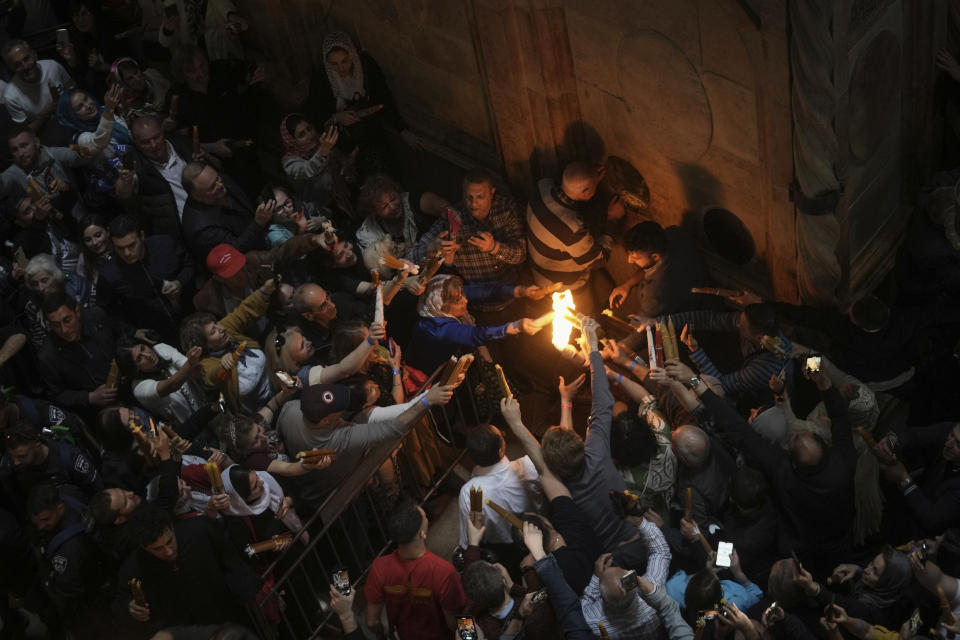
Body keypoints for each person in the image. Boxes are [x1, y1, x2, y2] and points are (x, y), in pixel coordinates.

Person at [665, 358, 855, 576]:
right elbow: (840, 418)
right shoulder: (844, 463)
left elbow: (721, 562)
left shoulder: (749, 535)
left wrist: (696, 538)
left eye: (793, 439)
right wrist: (823, 382)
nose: (793, 433)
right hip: (839, 534)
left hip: (801, 547)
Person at [540, 316, 638, 551]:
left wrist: (566, 401)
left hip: (612, 554)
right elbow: (603, 398)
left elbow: (560, 452)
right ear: (580, 442)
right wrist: (592, 344)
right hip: (637, 533)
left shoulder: (563, 492)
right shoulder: (597, 451)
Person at [277, 381, 452, 504]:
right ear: (326, 421)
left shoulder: (290, 408)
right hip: (333, 498)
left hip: (307, 486)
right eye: (340, 410)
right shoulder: (340, 438)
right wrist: (427, 400)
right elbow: (393, 428)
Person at [113, 506, 264, 631]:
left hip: (229, 616)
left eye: (170, 541)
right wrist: (130, 608)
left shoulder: (199, 530)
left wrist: (249, 589)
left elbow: (230, 559)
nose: (169, 552)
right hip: (187, 631)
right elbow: (121, 602)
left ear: (172, 527)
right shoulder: (134, 567)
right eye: (157, 549)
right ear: (144, 548)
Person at [406, 168, 528, 300]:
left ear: (492, 193)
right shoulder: (454, 217)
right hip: (472, 301)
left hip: (511, 297)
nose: (473, 203)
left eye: (480, 197)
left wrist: (494, 247)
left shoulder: (505, 209)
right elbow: (410, 259)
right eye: (469, 197)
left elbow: (520, 255)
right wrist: (432, 247)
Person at [525, 160, 623, 309]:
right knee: (584, 324)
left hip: (538, 272)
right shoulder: (572, 228)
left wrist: (589, 176)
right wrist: (613, 219)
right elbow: (599, 260)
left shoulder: (542, 186)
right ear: (585, 192)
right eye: (593, 187)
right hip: (562, 288)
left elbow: (572, 182)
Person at [364, 499, 466, 640]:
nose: (427, 519)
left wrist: (382, 635)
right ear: (422, 534)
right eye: (425, 517)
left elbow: (372, 622)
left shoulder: (379, 567)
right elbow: (454, 623)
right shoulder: (444, 572)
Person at [404, 275, 543, 375]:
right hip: (427, 376)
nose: (465, 300)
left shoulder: (449, 296)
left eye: (463, 294)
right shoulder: (437, 328)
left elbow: (488, 291)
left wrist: (522, 291)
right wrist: (517, 326)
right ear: (444, 308)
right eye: (459, 301)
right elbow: (477, 335)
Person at [26, 483, 113, 639]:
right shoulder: (67, 492)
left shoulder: (67, 552)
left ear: (60, 509)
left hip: (89, 593)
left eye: (45, 519)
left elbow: (68, 590)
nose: (40, 526)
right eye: (36, 521)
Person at [179, 281, 275, 414]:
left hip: (276, 383)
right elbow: (212, 373)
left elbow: (244, 311)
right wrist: (223, 365)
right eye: (213, 331)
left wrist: (265, 290)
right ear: (204, 346)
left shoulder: (225, 329)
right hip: (261, 411)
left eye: (217, 324)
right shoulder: (205, 364)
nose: (222, 328)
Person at [96, 215, 195, 343]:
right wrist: (132, 331)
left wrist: (180, 282)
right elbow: (106, 312)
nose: (126, 253)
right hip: (156, 335)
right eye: (120, 248)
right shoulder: (109, 275)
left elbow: (189, 265)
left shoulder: (164, 244)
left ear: (141, 236)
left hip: (190, 315)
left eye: (131, 245)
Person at [456, 422, 542, 550]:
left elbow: (468, 539)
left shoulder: (469, 492)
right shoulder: (528, 467)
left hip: (501, 551)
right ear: (501, 450)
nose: (504, 433)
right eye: (502, 435)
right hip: (538, 536)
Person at [37, 291, 124, 412]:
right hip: (98, 409)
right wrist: (89, 398)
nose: (64, 330)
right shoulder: (48, 356)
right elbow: (56, 395)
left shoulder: (96, 317)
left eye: (67, 320)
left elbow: (119, 337)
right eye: (56, 325)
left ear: (77, 311)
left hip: (126, 383)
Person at [115, 114, 195, 237]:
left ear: (162, 132)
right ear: (135, 142)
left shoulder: (180, 144)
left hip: (208, 216)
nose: (153, 145)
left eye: (156, 137)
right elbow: (123, 193)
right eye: (145, 142)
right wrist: (125, 181)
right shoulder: (133, 163)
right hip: (178, 234)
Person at [793, 547, 912, 630]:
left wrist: (815, 589)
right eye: (871, 563)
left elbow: (849, 606)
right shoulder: (880, 589)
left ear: (887, 584)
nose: (867, 569)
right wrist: (857, 570)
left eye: (875, 572)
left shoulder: (880, 614)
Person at [608, 220, 707, 318]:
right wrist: (628, 285)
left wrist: (635, 322)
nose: (629, 261)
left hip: (694, 315)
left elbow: (644, 327)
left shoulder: (656, 294)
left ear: (655, 256)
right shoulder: (673, 233)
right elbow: (650, 267)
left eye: (635, 258)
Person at [0, 422, 101, 517]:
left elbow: (96, 489)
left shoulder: (69, 458)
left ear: (37, 444)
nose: (15, 462)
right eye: (12, 457)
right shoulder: (9, 467)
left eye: (22, 456)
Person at [355, 173, 449, 274]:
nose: (393, 207)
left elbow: (438, 205)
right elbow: (381, 269)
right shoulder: (368, 233)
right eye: (384, 207)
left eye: (393, 198)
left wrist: (447, 210)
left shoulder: (412, 201)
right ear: (374, 212)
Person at [179, 161, 272, 261]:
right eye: (212, 187)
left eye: (217, 178)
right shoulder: (201, 228)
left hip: (264, 236)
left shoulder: (219, 182)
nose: (220, 185)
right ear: (197, 196)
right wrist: (258, 224)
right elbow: (233, 250)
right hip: (247, 262)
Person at [116, 334, 206, 426]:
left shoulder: (161, 349)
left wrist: (195, 368)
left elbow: (191, 369)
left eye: (143, 348)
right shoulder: (139, 387)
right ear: (135, 369)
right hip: (189, 428)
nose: (147, 355)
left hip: (205, 406)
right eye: (140, 358)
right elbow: (172, 385)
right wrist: (190, 363)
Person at [3, 125, 89, 218]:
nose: (20, 153)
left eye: (24, 146)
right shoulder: (15, 172)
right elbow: (4, 182)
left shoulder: (52, 153)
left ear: (36, 142)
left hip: (78, 211)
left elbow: (82, 157)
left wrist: (83, 150)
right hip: (48, 225)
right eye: (14, 150)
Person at [1, 39, 75, 131]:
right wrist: (45, 113)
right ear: (11, 68)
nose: (25, 66)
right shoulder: (11, 96)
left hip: (74, 118)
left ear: (34, 55)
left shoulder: (52, 66)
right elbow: (26, 133)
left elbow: (73, 90)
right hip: (47, 134)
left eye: (26, 59)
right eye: (17, 65)